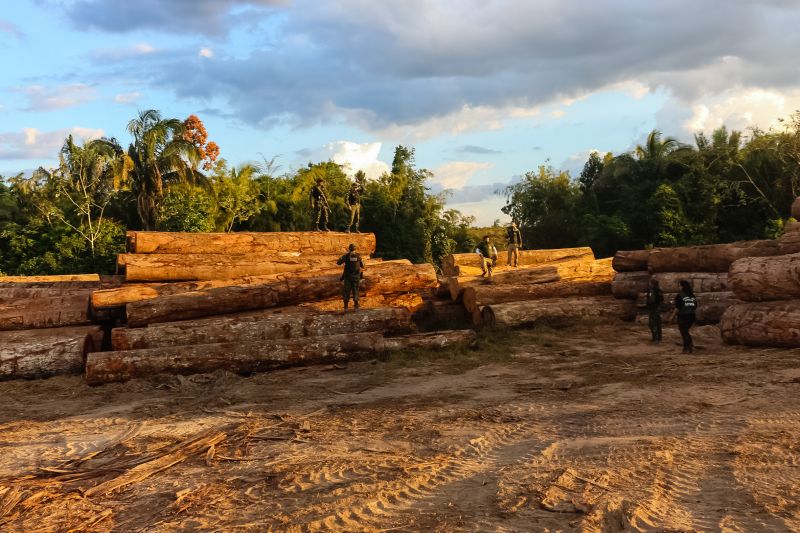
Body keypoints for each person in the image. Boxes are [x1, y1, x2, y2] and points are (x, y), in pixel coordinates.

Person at [337, 243, 364, 312]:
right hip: (356, 277)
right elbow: (363, 265)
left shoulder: (346, 256)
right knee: (355, 290)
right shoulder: (358, 256)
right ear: (355, 248)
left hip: (348, 277)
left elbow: (338, 262)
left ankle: (346, 308)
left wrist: (344, 259)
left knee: (346, 291)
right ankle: (356, 306)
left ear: (349, 249)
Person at [675, 279, 698, 354]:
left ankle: (687, 348)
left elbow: (677, 308)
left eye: (679, 285)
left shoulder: (679, 295)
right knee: (686, 332)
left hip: (683, 316)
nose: (678, 287)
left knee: (684, 332)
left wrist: (671, 317)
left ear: (682, 287)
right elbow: (695, 306)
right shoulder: (692, 295)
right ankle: (689, 346)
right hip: (692, 316)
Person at [645, 278, 664, 343]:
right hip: (658, 308)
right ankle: (659, 338)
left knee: (652, 323)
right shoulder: (659, 290)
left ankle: (655, 338)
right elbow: (662, 299)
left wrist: (648, 305)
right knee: (658, 323)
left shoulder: (652, 291)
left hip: (653, 309)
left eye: (650, 283)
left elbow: (651, 300)